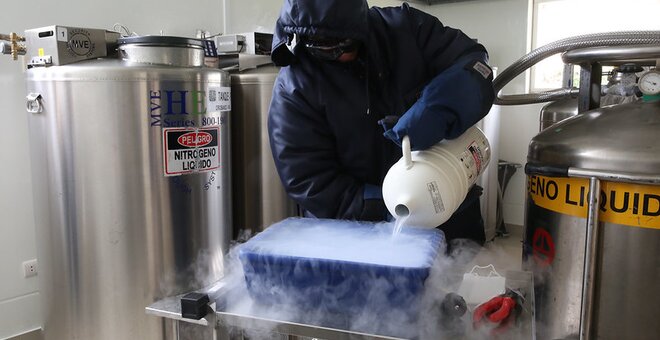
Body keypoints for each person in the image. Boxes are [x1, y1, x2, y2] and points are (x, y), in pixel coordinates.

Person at [267, 0, 495, 245]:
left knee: (467, 282)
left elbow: (475, 65)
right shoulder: (294, 89)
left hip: (451, 209)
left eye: (349, 44)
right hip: (359, 231)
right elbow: (311, 181)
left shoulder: (404, 28)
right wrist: (389, 203)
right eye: (328, 49)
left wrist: (438, 108)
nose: (344, 55)